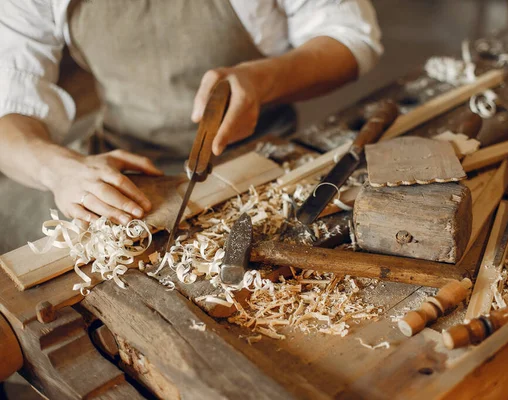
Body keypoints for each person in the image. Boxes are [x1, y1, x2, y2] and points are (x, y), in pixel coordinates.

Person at [0, 0, 383, 252]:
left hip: (257, 162)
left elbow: (349, 39)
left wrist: (262, 80)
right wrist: (56, 169)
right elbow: (8, 104)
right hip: (120, 161)